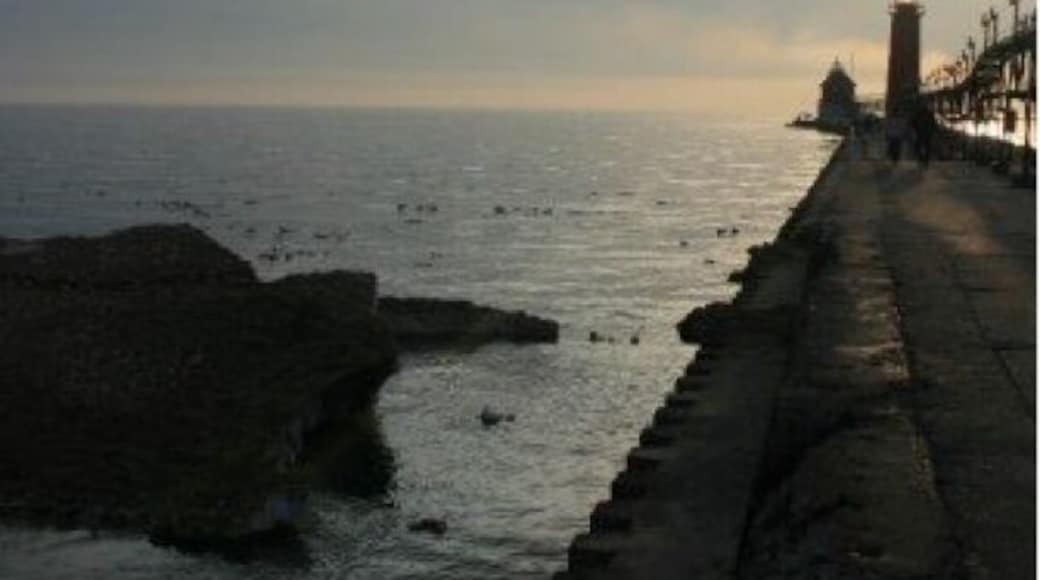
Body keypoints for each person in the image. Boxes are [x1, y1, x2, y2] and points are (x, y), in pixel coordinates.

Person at [911, 102, 938, 167]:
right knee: (927, 147)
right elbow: (933, 124)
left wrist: (915, 130)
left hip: (921, 132)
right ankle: (925, 160)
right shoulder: (929, 114)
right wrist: (934, 131)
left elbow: (913, 123)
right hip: (926, 133)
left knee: (919, 147)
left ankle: (922, 159)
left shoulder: (918, 114)